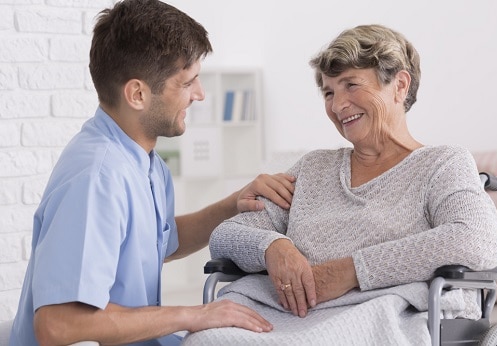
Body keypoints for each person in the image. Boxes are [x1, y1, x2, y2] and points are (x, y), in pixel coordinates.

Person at [182, 24, 497, 345]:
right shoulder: (313, 168)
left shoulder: (442, 164)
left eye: (351, 84)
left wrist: (352, 270)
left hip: (378, 311)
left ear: (400, 85)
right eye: (328, 92)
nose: (338, 106)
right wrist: (272, 247)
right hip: (279, 311)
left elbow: (478, 238)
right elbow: (225, 236)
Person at [8, 0, 296, 345]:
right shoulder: (97, 178)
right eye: (187, 82)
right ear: (138, 94)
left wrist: (234, 203)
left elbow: (161, 242)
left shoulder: (144, 162)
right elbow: (59, 325)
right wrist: (194, 314)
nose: (200, 94)